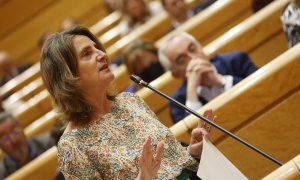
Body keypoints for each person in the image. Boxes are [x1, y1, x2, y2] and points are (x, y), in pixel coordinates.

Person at [40, 25, 218, 179]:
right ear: (67, 76)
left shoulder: (130, 101)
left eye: (97, 48)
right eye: (87, 53)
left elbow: (168, 165)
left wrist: (193, 151)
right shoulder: (72, 145)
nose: (102, 54)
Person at [158, 32, 258, 123]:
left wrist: (221, 80)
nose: (193, 58)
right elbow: (192, 137)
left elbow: (263, 90)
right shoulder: (177, 102)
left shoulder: (236, 61)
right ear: (176, 74)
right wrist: (192, 91)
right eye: (181, 60)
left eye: (192, 49)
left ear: (200, 48)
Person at [0, 112, 55, 178]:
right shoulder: (2, 174)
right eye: (5, 138)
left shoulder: (51, 143)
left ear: (22, 128)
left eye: (15, 131)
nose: (13, 140)